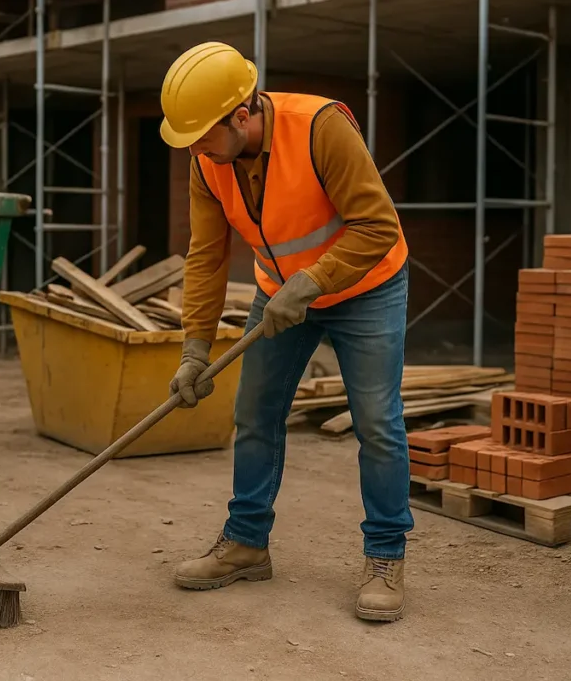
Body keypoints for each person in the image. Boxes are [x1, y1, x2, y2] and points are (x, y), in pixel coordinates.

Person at [159, 42, 412, 622]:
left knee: (376, 422)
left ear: (241, 116)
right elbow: (204, 256)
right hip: (281, 293)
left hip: (367, 286)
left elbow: (377, 224)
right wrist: (195, 349)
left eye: (202, 135)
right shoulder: (207, 160)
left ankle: (385, 556)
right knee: (255, 413)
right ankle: (246, 543)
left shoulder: (320, 127)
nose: (196, 148)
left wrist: (315, 281)